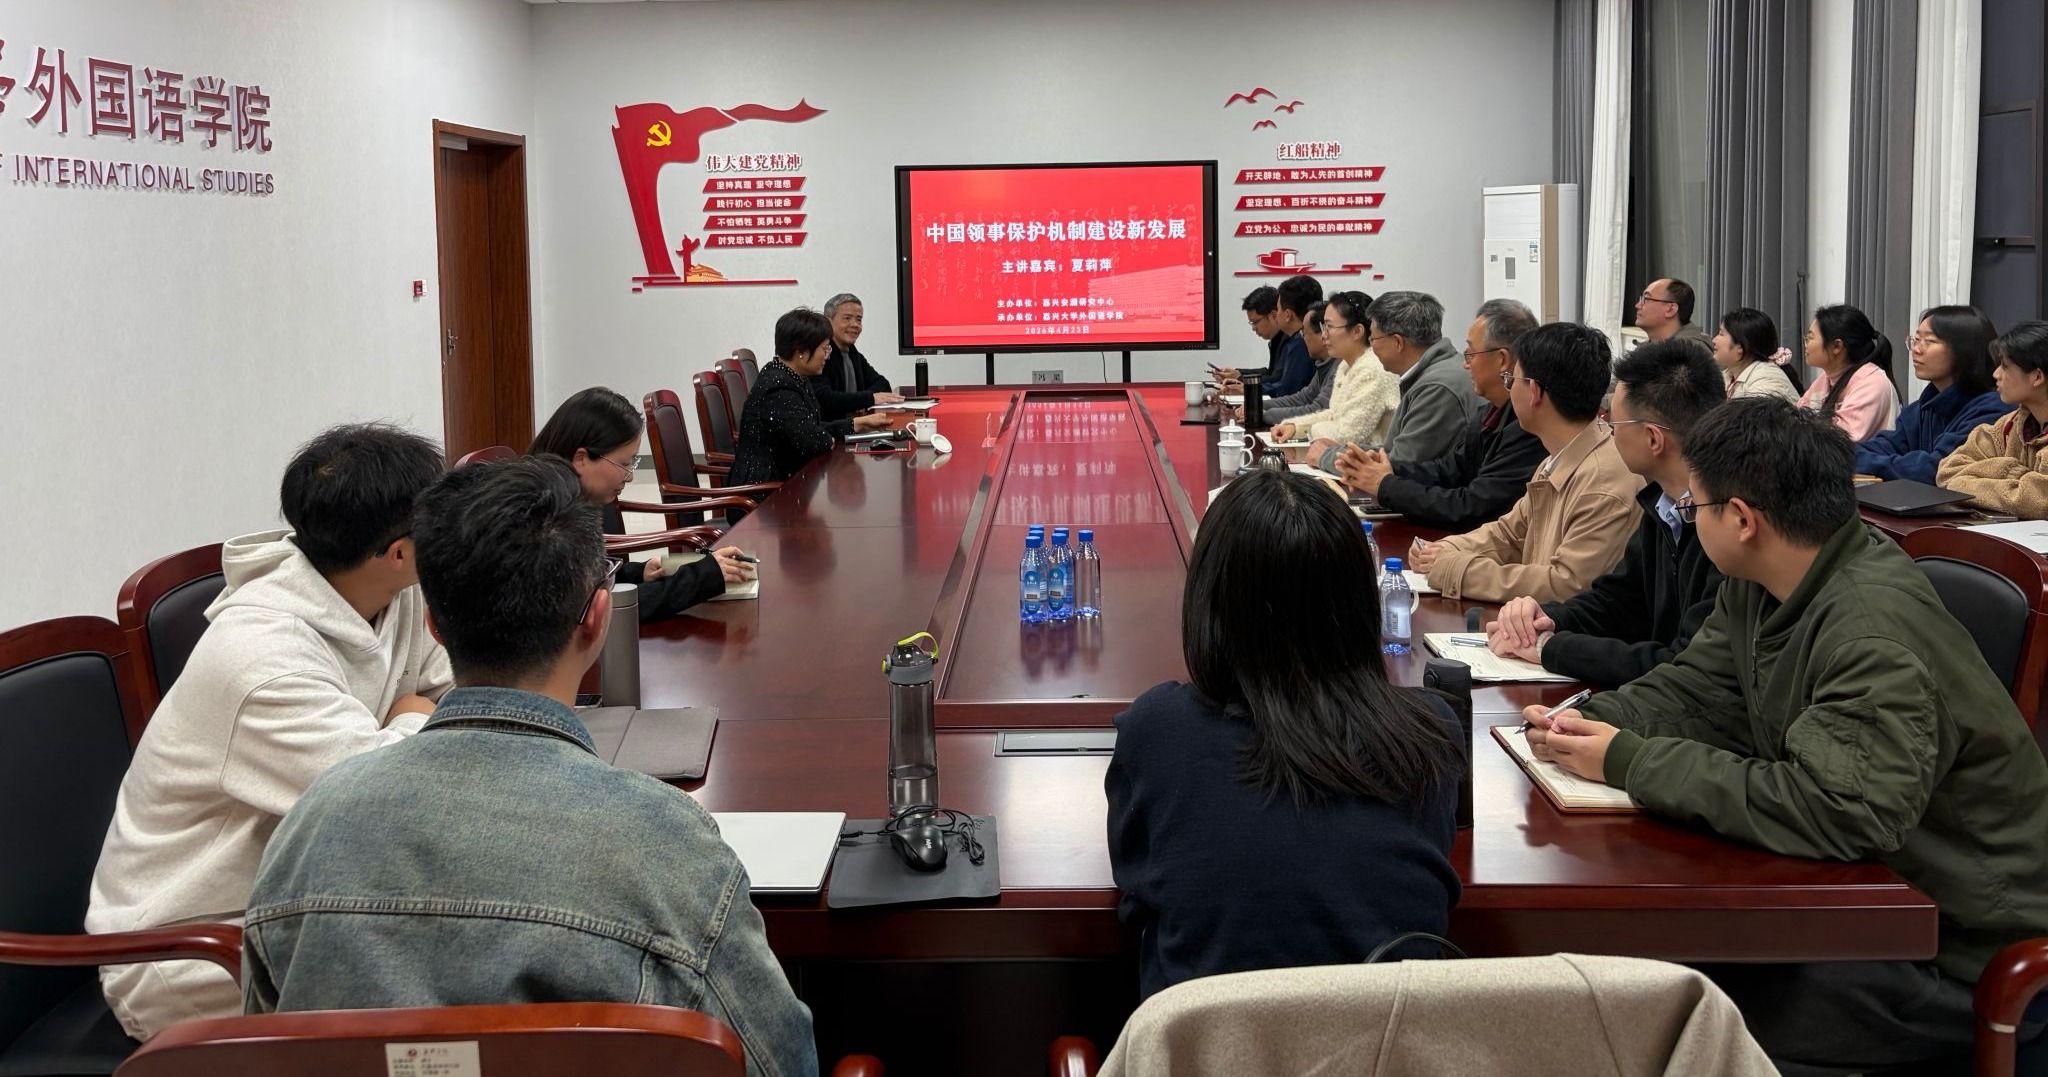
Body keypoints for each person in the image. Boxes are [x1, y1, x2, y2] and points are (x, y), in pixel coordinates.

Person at [242, 457, 817, 1077]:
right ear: (597, 618)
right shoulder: (666, 841)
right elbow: (779, 1059)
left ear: (434, 626)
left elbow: (266, 1041)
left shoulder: (309, 828)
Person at [1525, 398, 2048, 1073]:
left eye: (1696, 506)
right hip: (1868, 894)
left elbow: (1837, 809)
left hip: (1953, 949)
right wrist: (1597, 722)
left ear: (1742, 520)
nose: (1690, 518)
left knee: (1662, 1011)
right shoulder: (1768, 579)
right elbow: (1699, 687)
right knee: (1634, 977)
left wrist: (1630, 760)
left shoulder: (1870, 633)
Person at [86, 423, 451, 1039]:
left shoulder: (393, 592)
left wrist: (405, 721)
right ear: (399, 552)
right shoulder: (261, 660)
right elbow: (382, 801)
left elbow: (455, 686)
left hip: (309, 880)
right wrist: (412, 716)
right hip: (190, 945)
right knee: (470, 948)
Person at [1106, 468, 1463, 1001]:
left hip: (1212, 1045)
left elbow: (1137, 892)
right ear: (1359, 603)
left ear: (1211, 604)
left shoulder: (1159, 729)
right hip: (1388, 1043)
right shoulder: (1430, 729)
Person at [1486, 340, 1726, 687]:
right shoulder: (1663, 505)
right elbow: (1617, 601)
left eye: (1614, 423)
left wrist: (1553, 648)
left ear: (1653, 439)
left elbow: (1684, 665)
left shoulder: (1725, 528)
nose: (1609, 433)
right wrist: (1546, 619)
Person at [1409, 322, 1642, 603]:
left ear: (1534, 391)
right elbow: (1508, 534)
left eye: (1511, 381)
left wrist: (1456, 570)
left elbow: (1566, 585)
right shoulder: (1557, 458)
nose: (1508, 391)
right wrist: (1445, 549)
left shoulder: (1603, 482)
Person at [530, 387, 754, 619]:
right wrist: (701, 578)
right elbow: (599, 609)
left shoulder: (565, 497)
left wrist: (637, 573)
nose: (630, 476)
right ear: (581, 459)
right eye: (624, 464)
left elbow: (590, 578)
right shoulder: (544, 523)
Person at [1334, 299, 1546, 532]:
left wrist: (1385, 484)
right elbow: (1448, 471)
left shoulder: (1528, 428)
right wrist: (1385, 468)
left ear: (1502, 359)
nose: (1465, 365)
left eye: (1471, 353)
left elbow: (1470, 508)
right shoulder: (1490, 413)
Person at [728, 308, 892, 487]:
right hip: (764, 493)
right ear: (801, 351)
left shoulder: (793, 375)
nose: (827, 356)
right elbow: (816, 441)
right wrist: (826, 437)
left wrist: (857, 424)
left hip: (790, 482)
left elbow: (811, 428)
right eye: (825, 348)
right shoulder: (778, 388)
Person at [1853, 305, 2008, 484]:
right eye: (1916, 340)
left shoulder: (1993, 409)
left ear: (1964, 349)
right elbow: (1885, 445)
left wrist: (1857, 460)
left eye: (1929, 341)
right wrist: (1844, 455)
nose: (1916, 350)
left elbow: (1938, 468)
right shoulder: (1922, 407)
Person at [1271, 292, 1400, 462]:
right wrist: (1295, 427)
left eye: (1329, 327)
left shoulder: (1373, 370)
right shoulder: (1346, 365)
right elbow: (1334, 415)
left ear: (1357, 331)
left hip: (1371, 466)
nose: (1323, 335)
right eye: (1323, 326)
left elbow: (1348, 435)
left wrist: (1309, 431)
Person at [1938, 320, 2048, 518]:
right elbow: (1948, 473)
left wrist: (1973, 481)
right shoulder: (2009, 425)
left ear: (2037, 377)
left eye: (2005, 366)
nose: (1996, 374)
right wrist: (2012, 472)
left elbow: (2039, 501)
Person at [1368, 290, 1479, 464]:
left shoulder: (1437, 387)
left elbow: (1400, 464)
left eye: (1373, 338)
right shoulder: (1437, 372)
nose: (1371, 346)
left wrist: (1329, 456)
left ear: (1397, 342)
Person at [1797, 303, 1899, 440]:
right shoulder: (1826, 378)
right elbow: (1797, 416)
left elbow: (1839, 441)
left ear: (1837, 346)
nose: (1806, 344)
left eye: (1810, 338)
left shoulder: (1872, 384)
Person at [811, 293, 903, 421]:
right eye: (847, 318)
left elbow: (882, 384)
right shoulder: (820, 355)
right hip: (830, 429)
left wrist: (860, 401)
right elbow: (824, 398)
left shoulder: (853, 354)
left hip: (856, 427)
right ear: (828, 321)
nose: (855, 324)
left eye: (859, 319)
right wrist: (867, 399)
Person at [1263, 304, 1340, 424]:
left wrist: (1264, 414)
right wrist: (1258, 405)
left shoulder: (1339, 367)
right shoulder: (1323, 363)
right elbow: (1304, 398)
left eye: (1304, 333)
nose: (1303, 338)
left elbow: (1318, 410)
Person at [1711, 307, 1802, 401]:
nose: (1714, 340)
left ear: (1740, 347)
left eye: (1721, 334)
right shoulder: (1729, 375)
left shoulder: (1766, 382)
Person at [1211, 285, 1284, 390]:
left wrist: (1243, 383)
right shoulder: (1276, 340)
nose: (1253, 328)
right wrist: (1239, 374)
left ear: (1274, 315)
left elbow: (1279, 383)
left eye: (1255, 322)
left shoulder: (1293, 341)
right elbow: (1271, 374)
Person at [1634, 277, 1710, 347]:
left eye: (1646, 299)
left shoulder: (1691, 351)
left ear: (1671, 309)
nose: (1637, 305)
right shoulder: (1650, 347)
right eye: (1641, 299)